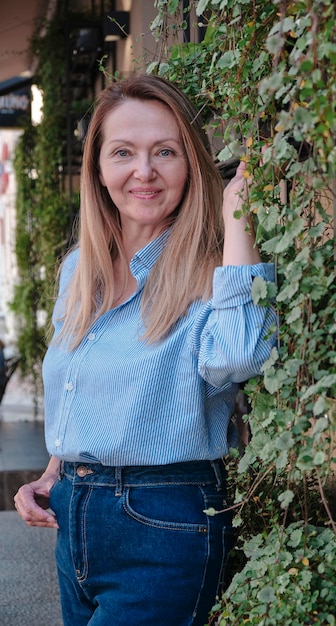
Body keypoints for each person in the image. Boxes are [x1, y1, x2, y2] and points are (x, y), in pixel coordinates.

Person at [14, 74, 276, 626]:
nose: (144, 171)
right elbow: (82, 384)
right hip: (75, 518)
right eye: (123, 153)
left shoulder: (215, 269)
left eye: (165, 152)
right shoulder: (77, 271)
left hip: (164, 522)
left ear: (192, 164)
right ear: (98, 169)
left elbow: (241, 360)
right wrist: (55, 470)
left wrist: (238, 220)